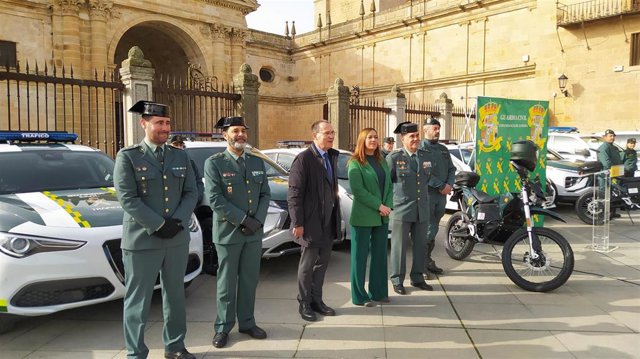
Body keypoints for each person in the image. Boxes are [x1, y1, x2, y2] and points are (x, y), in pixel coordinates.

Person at [113, 100, 198, 359]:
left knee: (175, 296)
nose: (165, 127)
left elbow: (192, 192)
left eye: (167, 122)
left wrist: (177, 221)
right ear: (144, 123)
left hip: (175, 238)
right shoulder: (128, 156)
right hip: (142, 240)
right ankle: (135, 352)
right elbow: (127, 198)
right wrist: (159, 224)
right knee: (138, 300)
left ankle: (175, 347)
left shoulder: (180, 155)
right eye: (159, 122)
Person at [204, 116, 271, 348]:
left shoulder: (256, 161)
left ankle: (247, 322)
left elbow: (265, 194)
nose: (240, 134)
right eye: (235, 131)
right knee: (226, 283)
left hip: (253, 233)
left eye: (243, 130)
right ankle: (222, 327)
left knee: (250, 280)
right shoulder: (215, 163)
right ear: (225, 134)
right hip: (229, 233)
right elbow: (215, 199)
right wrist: (243, 220)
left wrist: (257, 220)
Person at [288, 120, 341, 321]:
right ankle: (304, 302)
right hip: (310, 223)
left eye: (332, 132)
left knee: (322, 264)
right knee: (307, 265)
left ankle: (317, 300)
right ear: (315, 136)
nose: (331, 136)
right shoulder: (304, 159)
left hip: (328, 222)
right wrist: (297, 222)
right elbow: (294, 193)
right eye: (327, 133)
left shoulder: (331, 156)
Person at [386, 121, 436, 295]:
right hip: (401, 209)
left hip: (422, 208)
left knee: (421, 245)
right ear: (403, 138)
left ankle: (417, 278)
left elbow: (426, 179)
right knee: (399, 247)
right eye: (411, 136)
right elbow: (386, 184)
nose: (415, 139)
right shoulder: (394, 157)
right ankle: (397, 280)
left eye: (416, 136)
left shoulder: (425, 156)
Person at [347, 128, 393, 306]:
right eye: (369, 137)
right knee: (359, 258)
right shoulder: (355, 163)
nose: (373, 140)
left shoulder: (382, 161)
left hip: (382, 216)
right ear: (362, 140)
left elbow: (389, 184)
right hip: (363, 217)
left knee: (380, 256)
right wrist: (379, 205)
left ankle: (379, 292)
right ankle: (360, 296)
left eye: (375, 137)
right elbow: (358, 191)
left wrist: (387, 205)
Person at [420, 118, 455, 277]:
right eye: (434, 128)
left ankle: (428, 260)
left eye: (438, 128)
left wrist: (449, 184)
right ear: (425, 129)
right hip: (428, 195)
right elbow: (423, 172)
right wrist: (441, 186)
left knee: (434, 228)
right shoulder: (420, 148)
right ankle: (421, 265)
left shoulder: (443, 149)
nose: (438, 131)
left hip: (441, 197)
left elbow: (451, 169)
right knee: (425, 229)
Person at [169, 134, 204, 203]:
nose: (179, 147)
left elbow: (198, 181)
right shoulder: (165, 163)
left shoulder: (189, 162)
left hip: (188, 204)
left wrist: (196, 199)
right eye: (176, 144)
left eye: (181, 145)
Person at [597, 129, 623, 218]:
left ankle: (611, 212)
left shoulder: (613, 147)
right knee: (603, 195)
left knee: (612, 195)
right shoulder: (604, 148)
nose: (612, 138)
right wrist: (613, 171)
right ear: (605, 137)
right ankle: (601, 214)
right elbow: (606, 163)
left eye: (613, 136)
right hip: (605, 175)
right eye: (610, 136)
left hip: (614, 174)